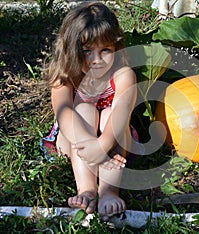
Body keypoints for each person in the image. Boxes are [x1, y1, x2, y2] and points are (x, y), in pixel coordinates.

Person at [40, 1, 137, 221]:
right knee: (83, 110)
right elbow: (63, 114)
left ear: (116, 47)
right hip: (73, 140)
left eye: (106, 50)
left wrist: (102, 145)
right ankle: (86, 189)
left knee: (111, 113)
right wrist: (91, 146)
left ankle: (108, 191)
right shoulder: (64, 75)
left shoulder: (123, 74)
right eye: (86, 51)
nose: (97, 60)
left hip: (114, 138)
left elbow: (123, 112)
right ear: (71, 50)